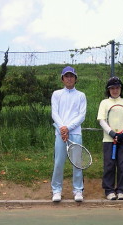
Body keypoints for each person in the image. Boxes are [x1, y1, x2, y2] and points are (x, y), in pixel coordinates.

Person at [51, 66, 87, 202]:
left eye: (71, 76)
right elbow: (54, 113)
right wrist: (62, 128)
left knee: (77, 163)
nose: (69, 78)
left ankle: (78, 190)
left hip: (75, 133)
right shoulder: (56, 94)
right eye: (66, 76)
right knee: (59, 162)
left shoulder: (81, 95)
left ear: (75, 79)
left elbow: (81, 116)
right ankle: (56, 190)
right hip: (60, 134)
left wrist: (68, 128)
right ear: (62, 79)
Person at [97, 76, 123, 200]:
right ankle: (109, 191)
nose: (115, 90)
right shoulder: (104, 103)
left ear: (121, 89)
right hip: (109, 140)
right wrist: (112, 133)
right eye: (112, 88)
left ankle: (121, 191)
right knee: (109, 165)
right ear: (108, 90)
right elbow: (101, 120)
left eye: (117, 87)